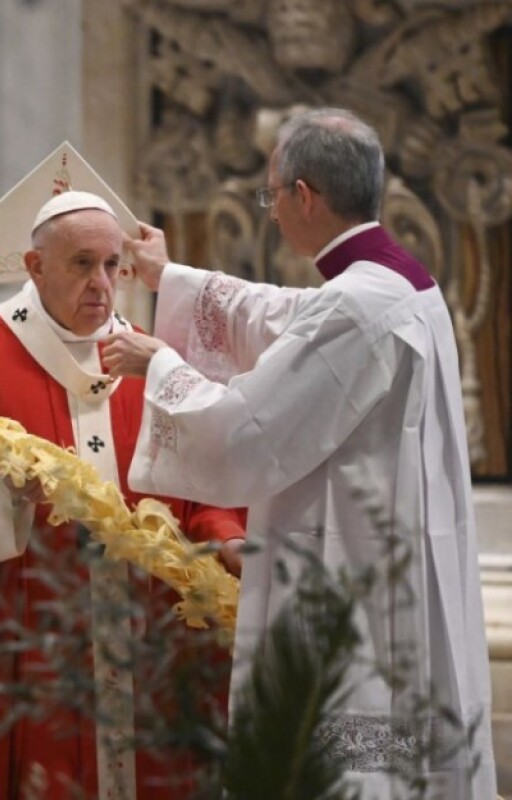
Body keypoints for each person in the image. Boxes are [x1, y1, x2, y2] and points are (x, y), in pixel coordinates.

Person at [102, 108, 496, 798]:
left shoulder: (357, 305)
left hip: (345, 573)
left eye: (272, 194)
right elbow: (288, 317)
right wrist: (174, 278)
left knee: (342, 759)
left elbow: (244, 432)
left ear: (304, 195)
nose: (273, 212)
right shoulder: (400, 284)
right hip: (386, 559)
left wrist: (157, 363)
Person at [0, 143, 246, 800]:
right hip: (32, 638)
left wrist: (225, 536)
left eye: (113, 265)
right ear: (35, 266)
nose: (102, 282)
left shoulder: (147, 359)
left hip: (142, 634)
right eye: (81, 264)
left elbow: (198, 481)